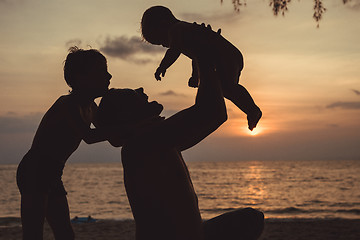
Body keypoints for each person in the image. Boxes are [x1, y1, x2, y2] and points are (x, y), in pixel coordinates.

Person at [98, 58, 264, 239]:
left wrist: (205, 66)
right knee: (249, 220)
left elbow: (212, 114)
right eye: (129, 94)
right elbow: (211, 112)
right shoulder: (143, 142)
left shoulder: (153, 142)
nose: (140, 89)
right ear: (126, 114)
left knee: (250, 219)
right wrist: (203, 57)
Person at [16, 47, 113, 240]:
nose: (109, 75)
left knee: (66, 234)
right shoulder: (67, 104)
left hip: (53, 173)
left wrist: (140, 124)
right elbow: (90, 136)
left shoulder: (92, 107)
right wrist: (129, 129)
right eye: (101, 71)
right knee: (33, 234)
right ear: (81, 78)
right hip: (34, 170)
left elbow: (112, 135)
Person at [141, 5, 262, 131]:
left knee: (228, 87)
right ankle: (251, 110)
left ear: (163, 24)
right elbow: (196, 55)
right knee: (227, 89)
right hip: (229, 54)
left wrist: (163, 66)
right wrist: (195, 76)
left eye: (161, 41)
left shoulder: (176, 30)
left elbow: (174, 51)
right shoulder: (186, 32)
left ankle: (252, 110)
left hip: (226, 54)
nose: (164, 46)